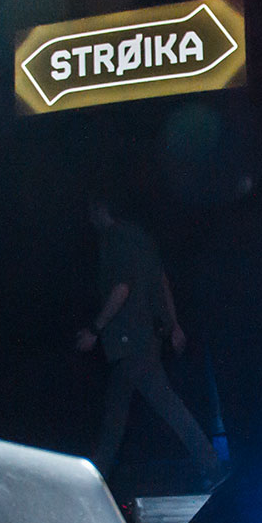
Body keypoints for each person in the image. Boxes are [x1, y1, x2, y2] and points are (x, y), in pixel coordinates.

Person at [75, 199, 220, 485]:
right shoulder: (141, 238)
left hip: (130, 341)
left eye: (92, 212)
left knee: (162, 406)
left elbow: (122, 288)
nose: (91, 220)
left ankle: (212, 466)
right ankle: (95, 478)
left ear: (101, 210)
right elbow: (162, 282)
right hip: (141, 341)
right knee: (116, 416)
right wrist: (173, 324)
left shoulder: (114, 239)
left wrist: (94, 329)